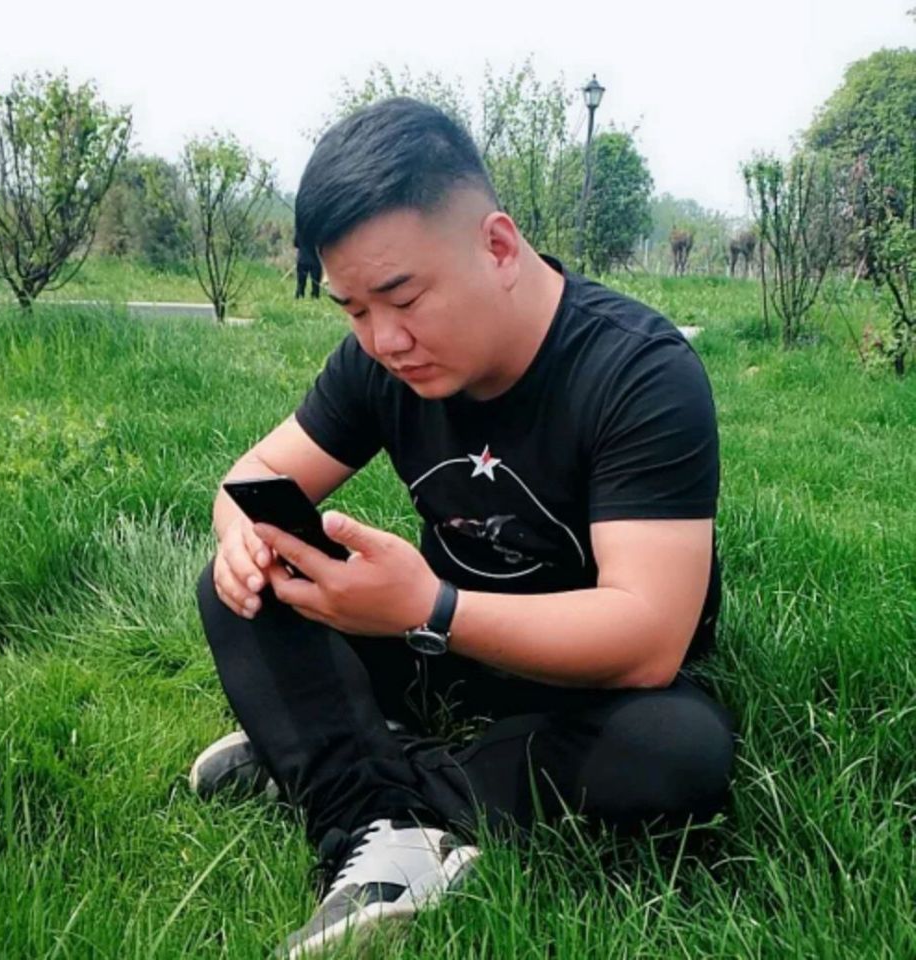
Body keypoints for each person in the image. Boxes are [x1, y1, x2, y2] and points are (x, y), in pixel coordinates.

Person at [192, 97, 736, 958]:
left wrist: (430, 608)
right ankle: (375, 817)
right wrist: (243, 540)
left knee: (680, 750)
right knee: (250, 587)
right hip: (434, 647)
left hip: (586, 678)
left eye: (403, 298)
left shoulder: (638, 371)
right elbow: (250, 483)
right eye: (353, 310)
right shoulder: (377, 361)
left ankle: (334, 762)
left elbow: (649, 638)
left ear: (499, 247)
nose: (385, 339)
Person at [294, 229, 322, 299]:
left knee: (300, 284)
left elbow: (296, 244)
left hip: (302, 259)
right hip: (315, 260)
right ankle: (314, 298)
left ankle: (300, 296)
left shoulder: (300, 229)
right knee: (315, 285)